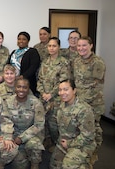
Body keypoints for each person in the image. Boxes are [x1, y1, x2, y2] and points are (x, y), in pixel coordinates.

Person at [73, 36, 106, 166]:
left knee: (94, 130)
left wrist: (81, 101)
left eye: (84, 45)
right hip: (80, 102)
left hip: (93, 104)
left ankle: (93, 154)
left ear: (91, 46)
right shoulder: (76, 61)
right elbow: (76, 82)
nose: (81, 48)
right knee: (82, 129)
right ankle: (83, 153)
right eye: (79, 46)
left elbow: (96, 85)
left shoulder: (97, 62)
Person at [50, 79, 96, 169]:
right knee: (53, 166)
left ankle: (86, 163)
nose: (62, 93)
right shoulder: (61, 105)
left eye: (66, 89)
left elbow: (88, 137)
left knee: (68, 165)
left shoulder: (84, 109)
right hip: (64, 141)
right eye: (60, 90)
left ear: (74, 90)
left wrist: (70, 144)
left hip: (81, 144)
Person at [37, 37, 71, 151]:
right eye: (49, 46)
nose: (51, 48)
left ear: (59, 47)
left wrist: (51, 94)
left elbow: (63, 82)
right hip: (44, 98)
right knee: (44, 122)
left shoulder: (63, 62)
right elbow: (40, 79)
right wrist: (42, 92)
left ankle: (59, 147)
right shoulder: (45, 62)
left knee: (54, 124)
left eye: (54, 46)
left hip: (57, 99)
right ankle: (48, 142)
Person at [5, 78, 45, 169]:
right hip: (14, 135)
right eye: (19, 87)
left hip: (31, 135)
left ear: (28, 89)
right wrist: (9, 138)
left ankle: (35, 164)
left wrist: (22, 138)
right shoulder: (8, 102)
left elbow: (39, 125)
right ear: (15, 88)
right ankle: (23, 156)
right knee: (20, 165)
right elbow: (5, 121)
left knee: (35, 145)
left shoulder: (36, 103)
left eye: (24, 87)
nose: (21, 90)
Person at [7, 31, 41, 97]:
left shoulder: (32, 51)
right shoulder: (14, 52)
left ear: (28, 41)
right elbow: (8, 65)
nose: (21, 41)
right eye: (19, 39)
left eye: (24, 39)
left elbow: (34, 66)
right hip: (13, 82)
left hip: (27, 83)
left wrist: (22, 76)